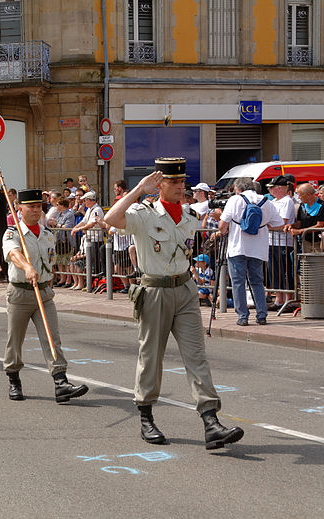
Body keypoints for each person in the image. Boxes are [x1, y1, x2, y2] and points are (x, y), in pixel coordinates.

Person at [104, 157, 244, 450]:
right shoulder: (143, 214)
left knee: (196, 356)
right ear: (160, 185)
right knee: (151, 357)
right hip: (154, 291)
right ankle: (146, 416)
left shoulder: (190, 215)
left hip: (185, 290)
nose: (182, 187)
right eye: (174, 182)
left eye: (183, 182)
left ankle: (210, 422)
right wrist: (138, 189)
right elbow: (111, 219)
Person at [1, 188, 89, 402]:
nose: (34, 210)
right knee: (15, 340)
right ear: (19, 208)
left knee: (52, 338)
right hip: (21, 293)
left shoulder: (48, 235)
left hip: (43, 292)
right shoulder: (13, 233)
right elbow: (13, 254)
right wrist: (27, 268)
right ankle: (14, 379)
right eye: (30, 206)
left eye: (38, 206)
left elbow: (49, 263)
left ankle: (60, 382)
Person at [218, 177, 284, 326]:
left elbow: (222, 226)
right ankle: (262, 315)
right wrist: (264, 227)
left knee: (238, 283)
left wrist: (224, 230)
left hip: (237, 247)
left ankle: (242, 316)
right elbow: (279, 224)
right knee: (257, 282)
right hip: (258, 247)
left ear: (238, 188)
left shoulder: (235, 200)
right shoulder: (266, 201)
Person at [266, 175, 296, 310]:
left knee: (285, 271)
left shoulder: (287, 201)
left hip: (283, 242)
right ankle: (278, 299)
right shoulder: (273, 202)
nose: (270, 190)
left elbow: (283, 221)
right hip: (272, 240)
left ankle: (288, 299)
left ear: (280, 188)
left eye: (272, 188)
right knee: (274, 271)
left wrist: (269, 227)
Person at [71, 191, 105, 276]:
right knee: (89, 262)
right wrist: (75, 228)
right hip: (90, 239)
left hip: (96, 239)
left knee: (95, 263)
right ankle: (91, 282)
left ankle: (95, 282)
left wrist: (78, 229)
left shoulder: (97, 209)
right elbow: (84, 221)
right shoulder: (90, 209)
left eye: (85, 200)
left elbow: (91, 224)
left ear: (89, 200)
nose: (84, 203)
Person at [286, 183, 324, 252]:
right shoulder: (302, 206)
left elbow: (320, 225)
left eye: (300, 195)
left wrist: (299, 231)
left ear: (308, 195)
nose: (298, 198)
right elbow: (299, 224)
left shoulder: (322, 206)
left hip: (319, 243)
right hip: (305, 242)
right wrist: (290, 225)